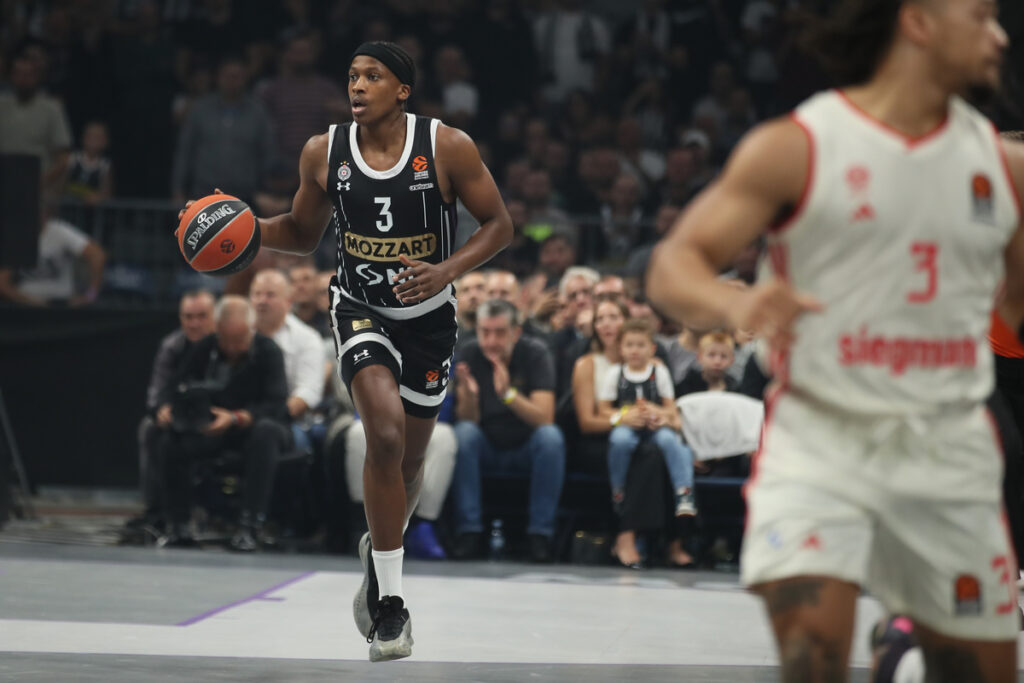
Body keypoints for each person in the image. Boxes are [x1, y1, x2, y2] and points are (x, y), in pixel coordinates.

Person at [647, 1, 1024, 680]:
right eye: (980, 15)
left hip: (948, 447)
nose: (999, 36)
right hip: (823, 441)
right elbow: (673, 267)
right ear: (919, 21)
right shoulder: (799, 144)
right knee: (812, 657)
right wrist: (739, 301)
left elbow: (1017, 309)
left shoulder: (1005, 166)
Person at [179, 41, 511, 662]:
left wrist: (446, 269)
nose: (358, 85)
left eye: (373, 76)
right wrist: (247, 232)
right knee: (381, 438)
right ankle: (390, 607)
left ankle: (378, 549)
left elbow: (500, 225)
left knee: (407, 469)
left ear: (402, 90)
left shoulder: (446, 146)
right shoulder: (323, 152)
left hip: (430, 320)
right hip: (359, 308)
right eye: (353, 76)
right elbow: (303, 235)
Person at [152, 296, 290, 552]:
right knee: (169, 439)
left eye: (239, 340)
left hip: (254, 428)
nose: (233, 347)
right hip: (212, 426)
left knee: (266, 433)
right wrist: (167, 408)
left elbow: (277, 404)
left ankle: (250, 526)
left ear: (251, 330)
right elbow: (174, 386)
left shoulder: (269, 351)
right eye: (226, 340)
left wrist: (238, 417)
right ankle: (177, 524)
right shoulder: (205, 348)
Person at [569, 298, 691, 568]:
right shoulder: (587, 364)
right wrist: (622, 419)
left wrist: (654, 416)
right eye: (600, 318)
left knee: (668, 450)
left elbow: (669, 407)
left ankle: (674, 541)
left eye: (613, 316)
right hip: (600, 440)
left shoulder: (654, 364)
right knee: (645, 454)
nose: (606, 324)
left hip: (646, 434)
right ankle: (626, 537)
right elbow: (587, 422)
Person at [452, 298, 565, 563]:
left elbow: (545, 418)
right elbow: (469, 419)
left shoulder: (536, 353)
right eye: (485, 332)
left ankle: (541, 535)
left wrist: (508, 395)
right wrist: (469, 397)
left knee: (551, 439)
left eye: (500, 333)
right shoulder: (469, 353)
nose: (491, 341)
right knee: (464, 433)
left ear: (516, 332)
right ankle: (469, 533)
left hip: (527, 445)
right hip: (487, 444)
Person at [134, 290, 216, 535]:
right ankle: (156, 511)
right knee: (149, 429)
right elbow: (157, 390)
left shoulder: (226, 343)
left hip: (217, 415)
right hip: (180, 415)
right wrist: (160, 409)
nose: (194, 323)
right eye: (188, 316)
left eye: (202, 316)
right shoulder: (172, 346)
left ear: (215, 316)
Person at [598, 318, 696, 519]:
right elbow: (603, 410)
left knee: (669, 440)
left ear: (651, 349)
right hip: (627, 425)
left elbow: (671, 409)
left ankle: (684, 493)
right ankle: (618, 489)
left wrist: (658, 414)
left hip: (653, 426)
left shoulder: (659, 372)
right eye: (629, 345)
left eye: (641, 345)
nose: (635, 350)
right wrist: (623, 416)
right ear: (621, 348)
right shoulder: (615, 373)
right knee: (619, 440)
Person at [249, 269, 327, 453]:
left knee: (272, 435)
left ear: (288, 301)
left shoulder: (308, 337)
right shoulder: (239, 333)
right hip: (240, 416)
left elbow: (309, 391)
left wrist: (269, 415)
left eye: (270, 295)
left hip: (290, 420)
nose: (262, 300)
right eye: (257, 294)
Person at [0, 203, 105, 307]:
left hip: (60, 304)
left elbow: (97, 255)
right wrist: (31, 302)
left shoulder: (60, 231)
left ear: (46, 214)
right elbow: (2, 282)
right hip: (23, 305)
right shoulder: (15, 235)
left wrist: (91, 295)